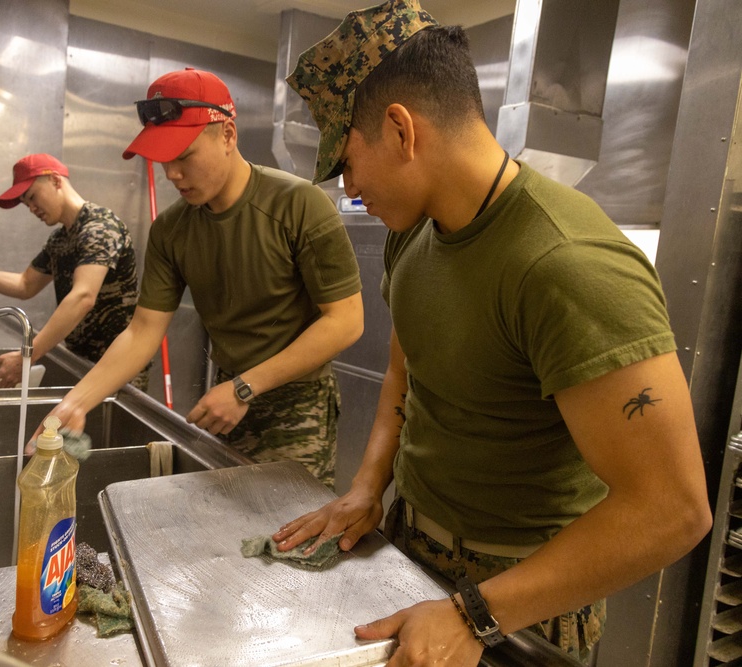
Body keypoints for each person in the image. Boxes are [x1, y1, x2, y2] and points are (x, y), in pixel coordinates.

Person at [272, 1, 711, 664]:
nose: (350, 186)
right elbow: (405, 370)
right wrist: (367, 484)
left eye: (346, 161)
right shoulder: (413, 233)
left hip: (519, 601)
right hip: (410, 553)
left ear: (400, 130)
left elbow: (672, 508)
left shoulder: (567, 264)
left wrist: (474, 612)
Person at [37, 68, 364, 487]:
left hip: (296, 403)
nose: (171, 174)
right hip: (225, 397)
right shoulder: (171, 230)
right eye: (163, 159)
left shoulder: (300, 205)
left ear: (228, 135)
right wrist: (77, 401)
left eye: (184, 156)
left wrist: (246, 388)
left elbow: (346, 320)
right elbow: (142, 332)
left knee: (288, 528)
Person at [0, 153, 143, 394]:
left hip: (119, 366)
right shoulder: (60, 239)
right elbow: (25, 284)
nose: (32, 208)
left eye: (32, 197)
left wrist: (27, 355)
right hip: (83, 362)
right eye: (26, 204)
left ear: (55, 180)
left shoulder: (99, 227)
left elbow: (83, 296)